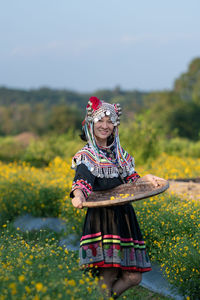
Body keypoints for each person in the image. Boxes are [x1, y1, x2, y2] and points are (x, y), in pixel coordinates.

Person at [70, 96, 159, 299]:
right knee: (108, 272)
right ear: (91, 123)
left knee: (133, 277)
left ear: (115, 126)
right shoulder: (87, 155)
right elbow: (81, 182)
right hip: (103, 219)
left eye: (110, 121)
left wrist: (147, 178)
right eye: (101, 120)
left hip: (125, 218)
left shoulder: (119, 154)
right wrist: (78, 197)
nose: (105, 126)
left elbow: (132, 181)